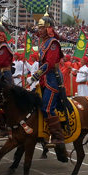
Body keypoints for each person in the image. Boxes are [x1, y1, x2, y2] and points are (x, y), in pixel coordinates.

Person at [27, 13, 68, 162]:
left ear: (49, 28)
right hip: (43, 78)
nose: (40, 29)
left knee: (47, 107)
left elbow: (50, 64)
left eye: (42, 27)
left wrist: (36, 75)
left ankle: (58, 137)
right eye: (39, 27)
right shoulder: (42, 42)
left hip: (52, 79)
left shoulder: (53, 43)